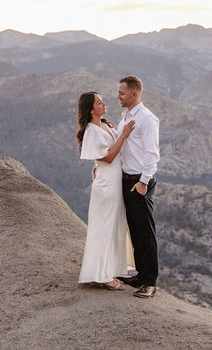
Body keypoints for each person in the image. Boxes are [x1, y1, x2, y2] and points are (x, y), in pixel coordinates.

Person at [76, 91, 135, 290]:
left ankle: (108, 271)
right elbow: (108, 157)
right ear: (91, 109)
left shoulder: (106, 125)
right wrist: (124, 135)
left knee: (113, 228)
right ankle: (102, 275)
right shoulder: (92, 130)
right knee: (103, 230)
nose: (104, 104)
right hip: (107, 186)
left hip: (114, 182)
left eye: (102, 101)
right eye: (99, 102)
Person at [116, 75, 161, 299]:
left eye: (122, 93)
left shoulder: (147, 119)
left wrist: (143, 182)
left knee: (146, 232)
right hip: (127, 179)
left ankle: (150, 282)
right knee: (135, 229)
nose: (118, 96)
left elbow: (152, 153)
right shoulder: (125, 117)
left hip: (138, 181)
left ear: (134, 94)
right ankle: (141, 276)